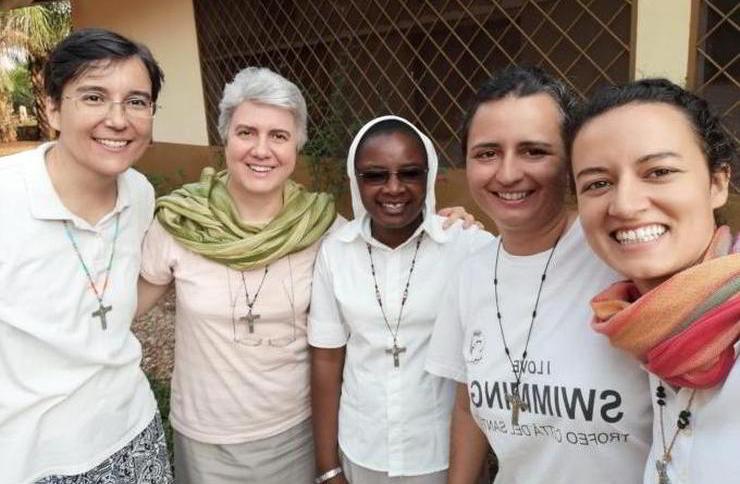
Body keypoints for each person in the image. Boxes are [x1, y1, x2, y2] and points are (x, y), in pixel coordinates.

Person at [136, 68, 475, 484]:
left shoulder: (322, 230)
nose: (261, 150)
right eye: (246, 132)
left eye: (278, 136)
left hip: (295, 435)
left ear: (297, 145)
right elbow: (121, 312)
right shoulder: (181, 223)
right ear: (225, 137)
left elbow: (390, 243)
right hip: (205, 437)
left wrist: (451, 224)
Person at [425, 66, 653, 484]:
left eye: (534, 151)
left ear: (571, 161)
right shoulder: (470, 274)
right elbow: (466, 405)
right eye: (487, 153)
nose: (508, 173)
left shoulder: (623, 259)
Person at [0, 29, 172, 483]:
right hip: (31, 458)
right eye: (94, 97)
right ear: (53, 107)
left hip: (133, 431)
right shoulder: (7, 196)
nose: (118, 119)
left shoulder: (140, 193)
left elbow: (108, 305)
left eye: (136, 101)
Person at [569, 78, 739, 483]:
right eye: (598, 183)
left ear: (717, 183)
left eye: (659, 172)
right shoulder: (647, 327)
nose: (626, 205)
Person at [308, 115, 493, 484]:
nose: (393, 188)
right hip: (362, 448)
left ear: (429, 175)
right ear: (356, 180)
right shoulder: (336, 252)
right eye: (375, 175)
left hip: (443, 454)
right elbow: (327, 358)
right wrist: (327, 467)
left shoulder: (469, 247)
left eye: (409, 173)